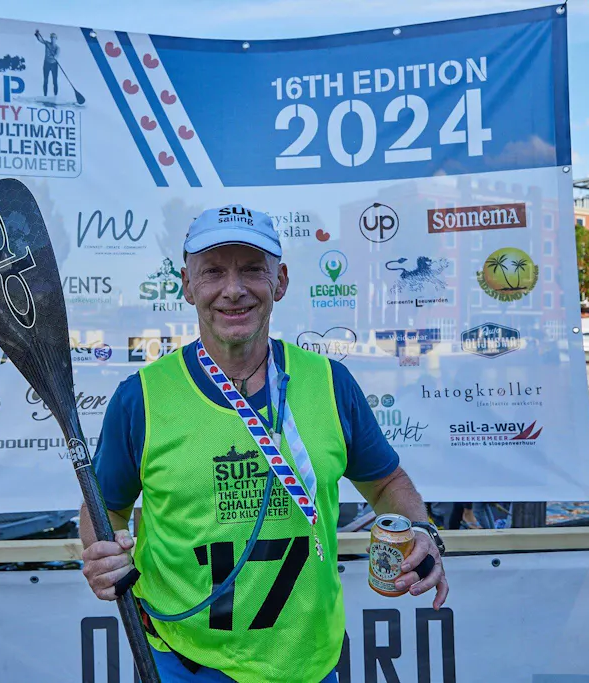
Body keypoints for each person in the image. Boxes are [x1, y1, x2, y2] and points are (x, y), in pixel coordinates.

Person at [80, 204, 449, 683]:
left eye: (253, 269)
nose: (233, 290)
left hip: (310, 665)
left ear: (281, 281)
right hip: (184, 664)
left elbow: (386, 483)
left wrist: (421, 529)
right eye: (213, 272)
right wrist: (102, 554)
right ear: (187, 285)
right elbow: (104, 509)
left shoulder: (330, 383)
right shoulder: (141, 398)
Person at [33, 30, 59, 98]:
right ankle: (45, 96)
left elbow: (56, 56)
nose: (53, 39)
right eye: (52, 38)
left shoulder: (57, 48)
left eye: (54, 38)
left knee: (55, 81)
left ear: (56, 39)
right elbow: (41, 40)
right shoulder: (47, 44)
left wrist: (54, 56)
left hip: (54, 64)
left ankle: (55, 96)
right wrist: (37, 35)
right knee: (45, 80)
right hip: (46, 64)